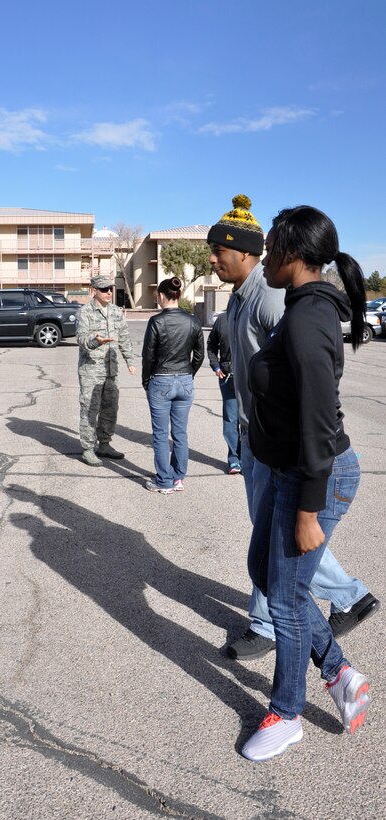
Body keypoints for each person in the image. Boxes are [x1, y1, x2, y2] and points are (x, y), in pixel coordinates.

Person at [207, 195, 379, 660]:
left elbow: (308, 379)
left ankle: (270, 625)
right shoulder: (240, 298)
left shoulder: (272, 298)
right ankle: (347, 597)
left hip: (276, 442)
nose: (212, 258)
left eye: (219, 251)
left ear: (247, 254)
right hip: (254, 434)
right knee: (271, 544)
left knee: (278, 547)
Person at [241, 205, 371, 761]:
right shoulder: (301, 307)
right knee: (262, 572)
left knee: (289, 600)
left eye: (270, 248)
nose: (265, 257)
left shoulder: (306, 319)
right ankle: (340, 672)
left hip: (313, 474)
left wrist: (309, 510)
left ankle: (287, 712)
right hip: (289, 469)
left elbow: (321, 423)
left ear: (294, 254)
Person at [141, 276, 204, 494]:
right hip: (185, 380)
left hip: (161, 379)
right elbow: (199, 355)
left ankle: (164, 480)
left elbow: (148, 355)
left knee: (160, 434)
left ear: (161, 295)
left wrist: (146, 380)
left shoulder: (156, 321)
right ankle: (178, 478)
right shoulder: (193, 321)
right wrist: (190, 374)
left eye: (157, 295)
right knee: (180, 433)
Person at [76, 274, 136, 466]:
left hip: (111, 369)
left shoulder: (117, 312)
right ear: (95, 291)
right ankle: (87, 448)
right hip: (91, 369)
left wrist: (129, 360)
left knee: (110, 408)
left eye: (110, 288)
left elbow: (125, 337)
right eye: (104, 289)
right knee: (90, 409)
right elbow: (81, 339)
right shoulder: (85, 312)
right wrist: (96, 340)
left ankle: (104, 444)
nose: (109, 292)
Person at [206, 310, 241, 474]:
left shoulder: (253, 313)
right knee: (231, 420)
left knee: (250, 422)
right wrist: (216, 366)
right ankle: (234, 460)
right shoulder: (222, 320)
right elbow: (211, 345)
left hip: (250, 377)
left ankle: (248, 459)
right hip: (228, 377)